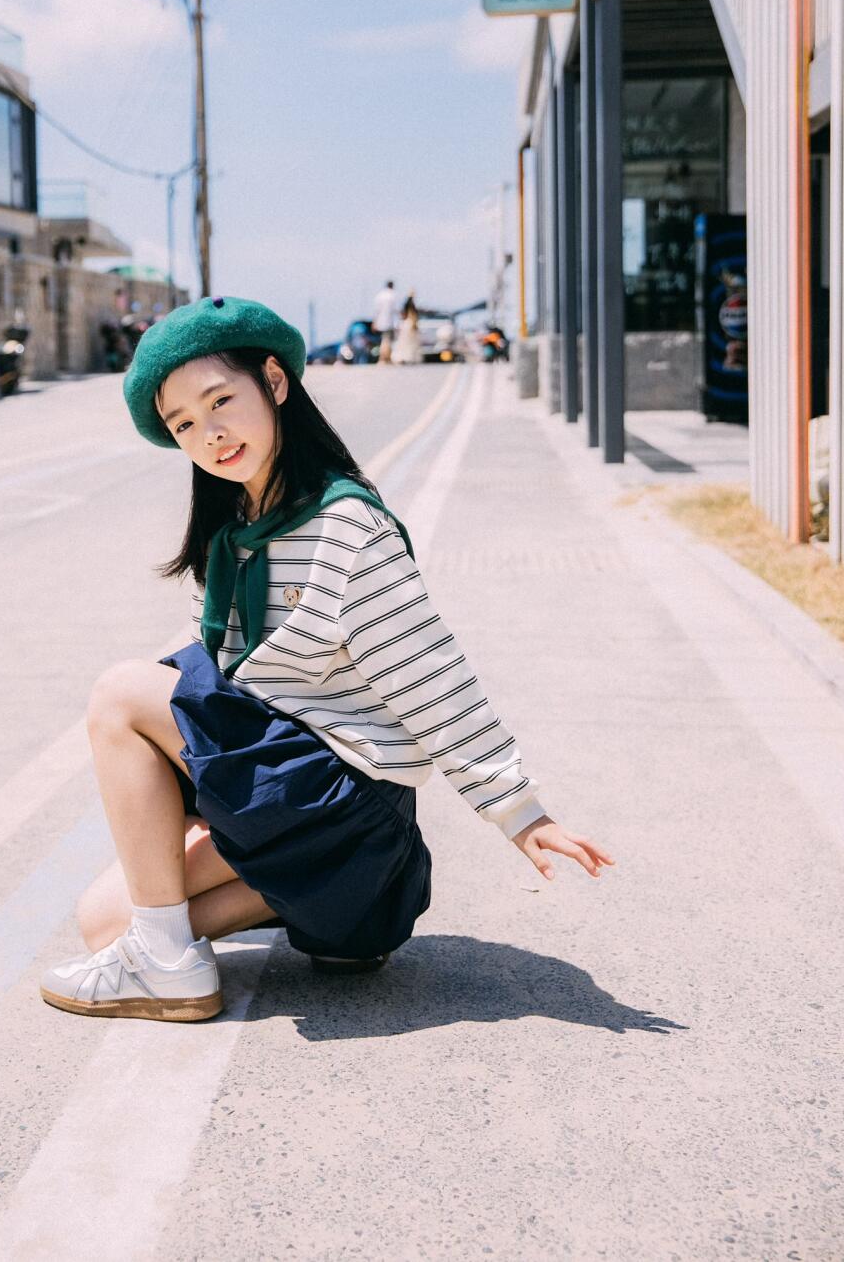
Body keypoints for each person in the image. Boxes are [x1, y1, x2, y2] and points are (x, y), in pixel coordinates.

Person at [39, 295, 614, 1022]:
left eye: (221, 401)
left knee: (121, 693)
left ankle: (168, 963)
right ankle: (271, 909)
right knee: (105, 922)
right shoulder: (233, 534)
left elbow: (429, 675)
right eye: (184, 424)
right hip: (335, 856)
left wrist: (521, 812)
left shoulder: (346, 526)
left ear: (275, 382)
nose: (210, 434)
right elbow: (223, 691)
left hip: (344, 810)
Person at [391, 290, 422, 365]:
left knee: (404, 342)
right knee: (410, 342)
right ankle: (408, 357)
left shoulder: (406, 304)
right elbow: (413, 315)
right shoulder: (411, 304)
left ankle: (403, 357)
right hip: (409, 324)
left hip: (406, 324)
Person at [372, 279, 399, 364]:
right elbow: (396, 310)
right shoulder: (393, 295)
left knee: (384, 339)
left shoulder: (379, 295)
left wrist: (374, 322)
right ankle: (385, 357)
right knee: (387, 340)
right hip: (390, 322)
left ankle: (385, 357)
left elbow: (376, 311)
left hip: (381, 322)